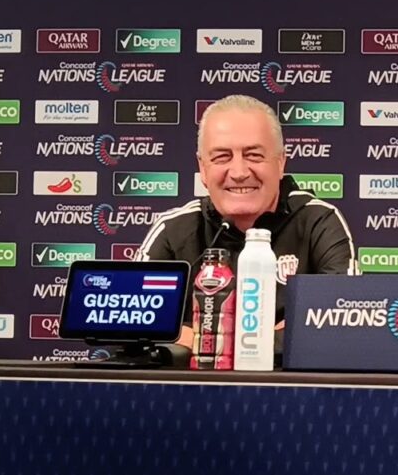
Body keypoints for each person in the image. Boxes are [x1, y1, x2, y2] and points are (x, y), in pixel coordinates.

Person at [135, 94, 358, 348]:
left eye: (253, 155)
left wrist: (194, 338)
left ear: (281, 162)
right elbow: (135, 326)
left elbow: (339, 322)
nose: (239, 172)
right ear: (203, 169)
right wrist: (273, 338)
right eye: (222, 157)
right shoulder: (173, 230)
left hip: (292, 388)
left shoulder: (319, 221)